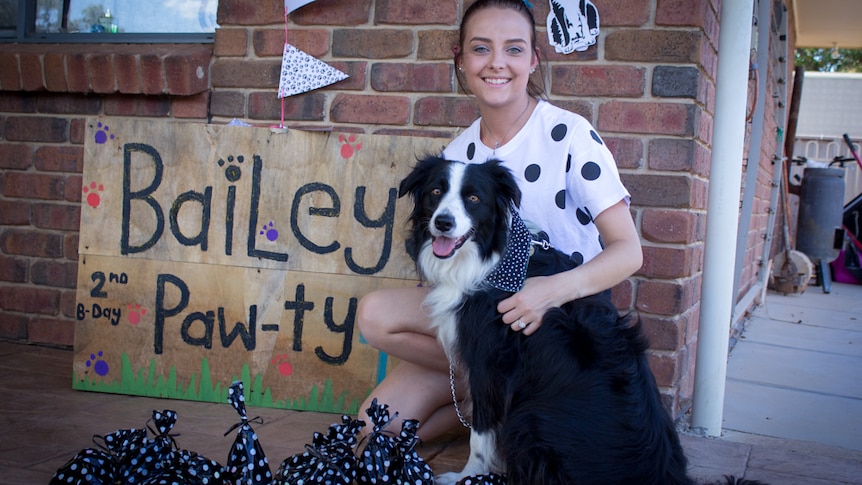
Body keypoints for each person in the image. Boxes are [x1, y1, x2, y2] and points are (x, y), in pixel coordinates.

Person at [356, 0, 642, 441]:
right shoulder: (456, 155)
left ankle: (504, 399)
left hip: (554, 333)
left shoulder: (570, 135)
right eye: (481, 48)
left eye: (513, 49)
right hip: (477, 327)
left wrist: (550, 290)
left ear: (532, 59)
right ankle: (491, 391)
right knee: (372, 427)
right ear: (462, 60)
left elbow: (629, 251)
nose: (496, 63)